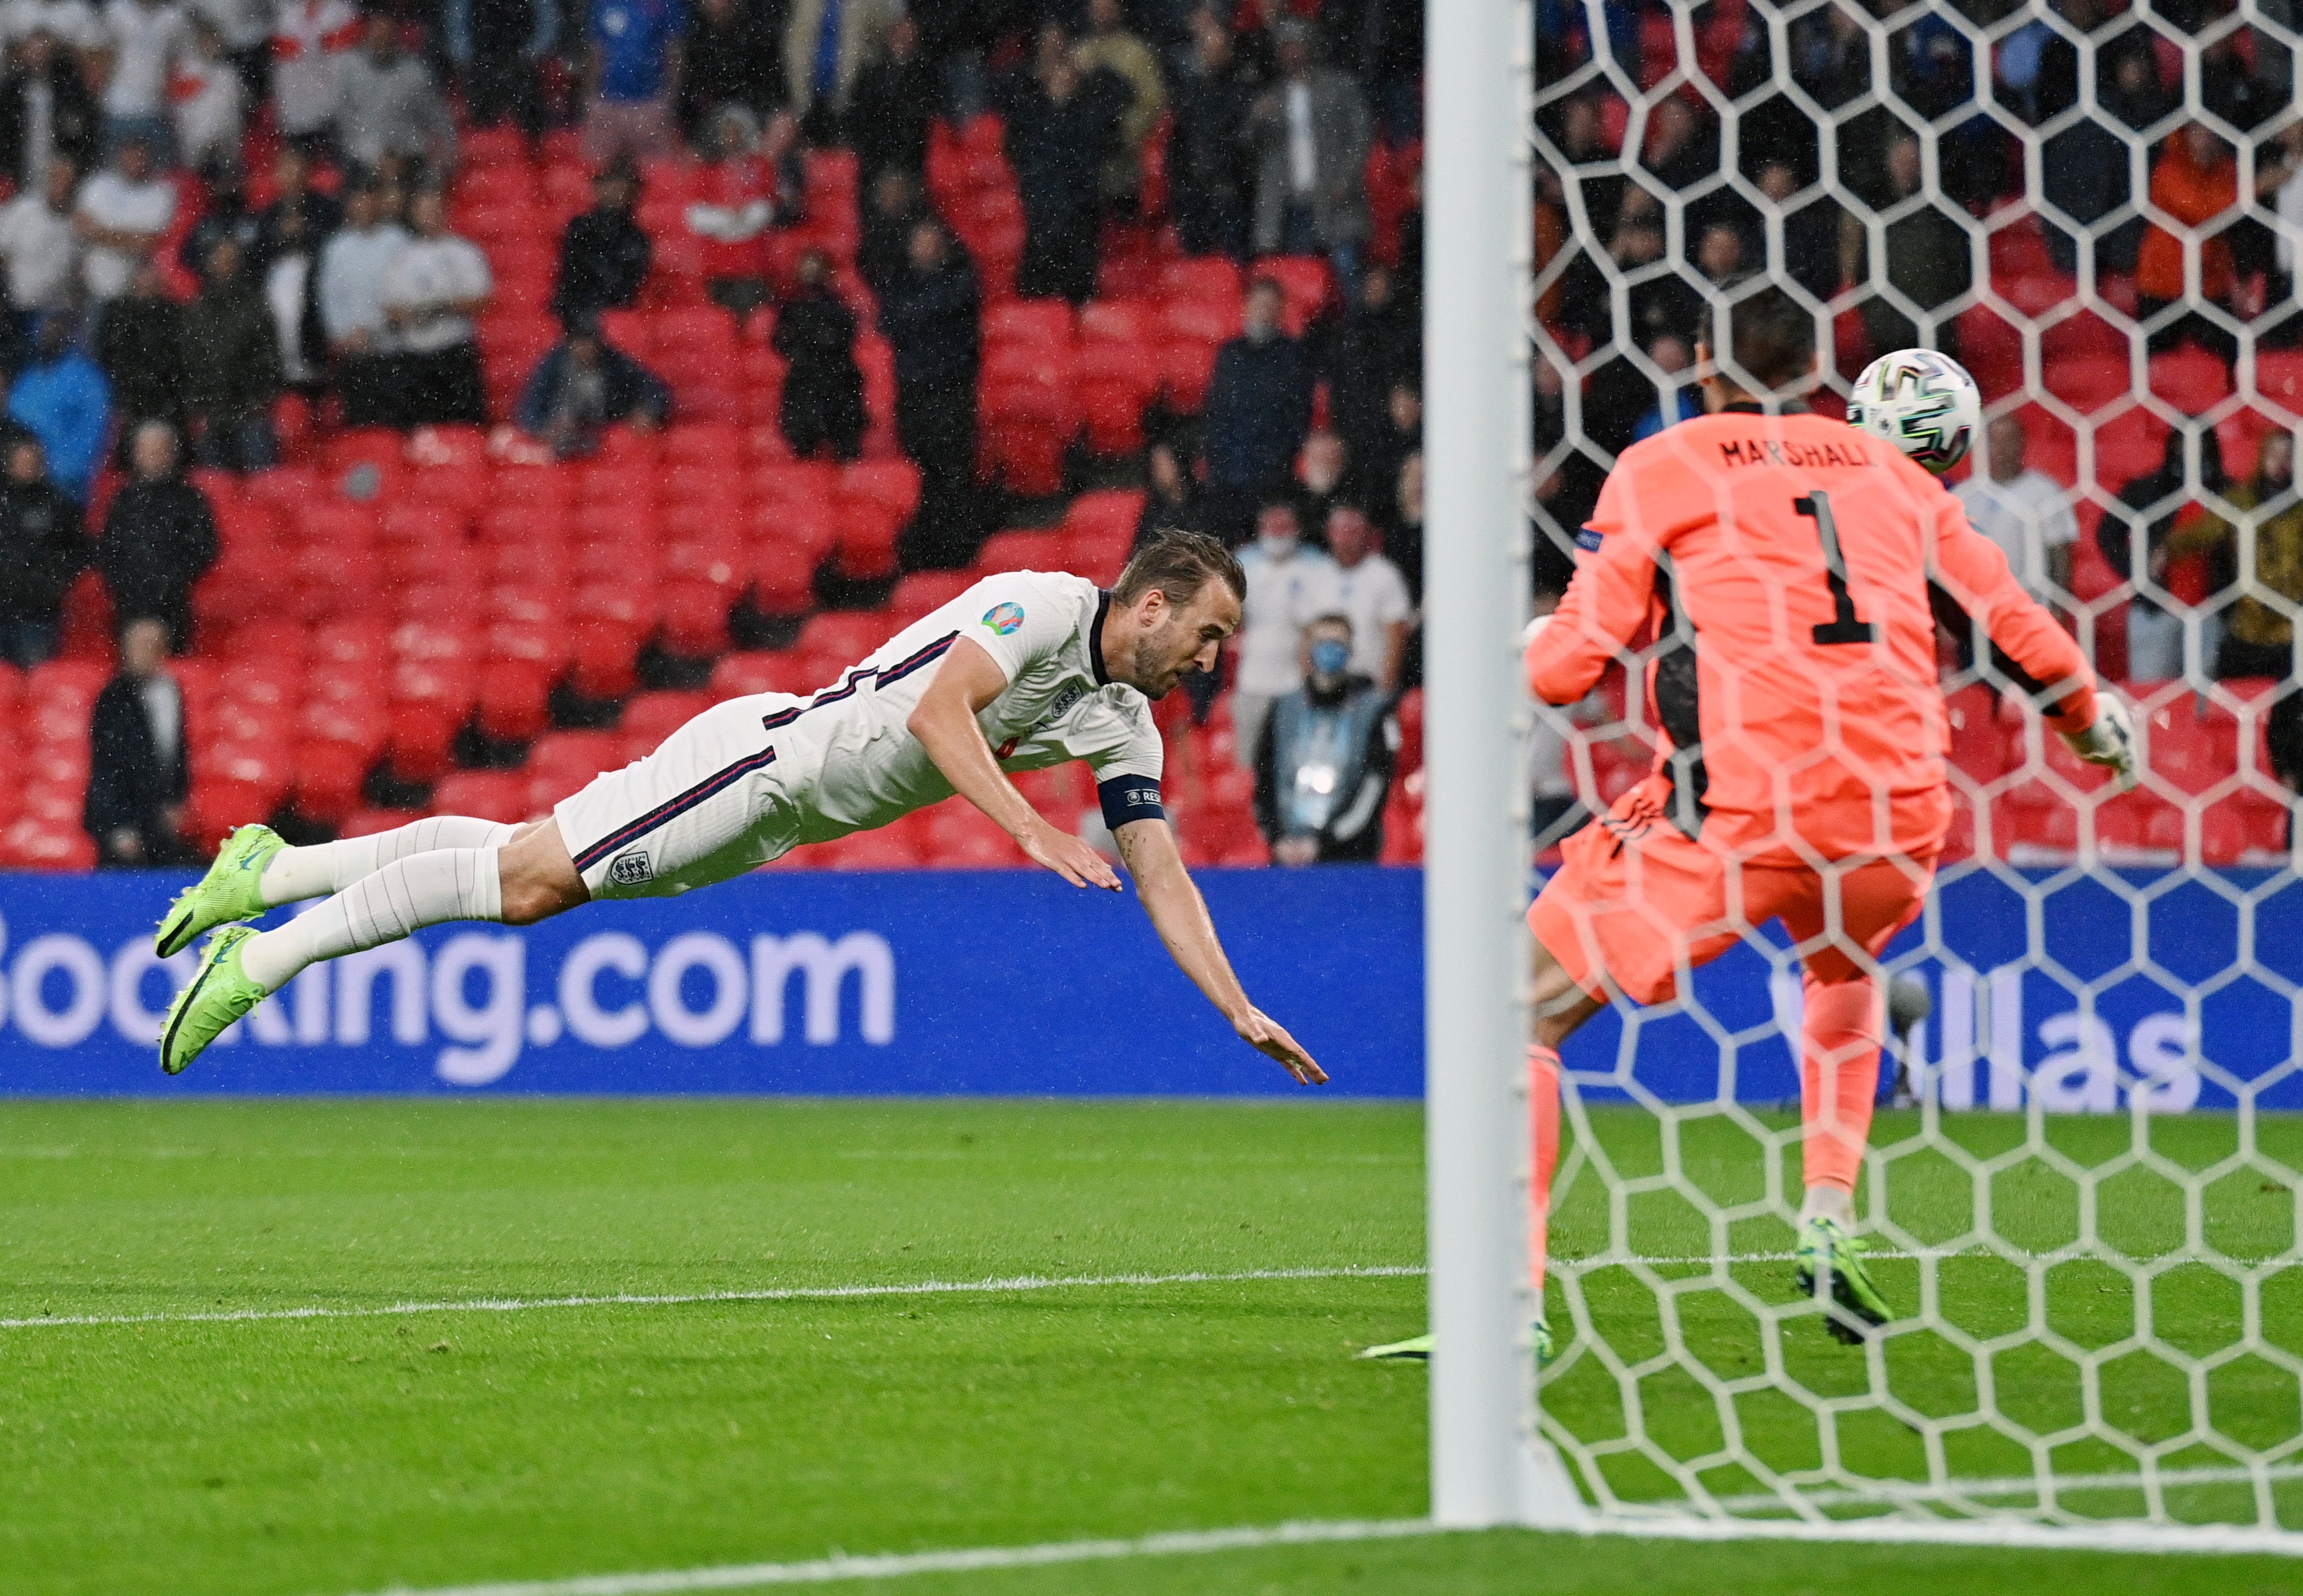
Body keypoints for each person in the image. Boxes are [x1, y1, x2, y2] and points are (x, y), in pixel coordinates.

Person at [1364, 287, 2136, 1367]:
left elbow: (1566, 670)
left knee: (1510, 1017)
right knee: (1842, 960)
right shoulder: (1891, 473)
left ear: (1704, 366)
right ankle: (1825, 1209)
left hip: (1747, 800)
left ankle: (1505, 1312)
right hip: (1898, 809)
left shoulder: (1669, 459)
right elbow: (2010, 618)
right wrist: (2088, 718)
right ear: (1821, 372)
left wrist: (1521, 633)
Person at [155, 531, 1327, 1092]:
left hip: (781, 820)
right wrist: (1030, 831)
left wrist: (1234, 1004)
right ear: (1154, 604)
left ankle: (266, 872)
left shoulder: (1124, 722)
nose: (1212, 656)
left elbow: (1162, 870)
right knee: (525, 889)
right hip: (766, 762)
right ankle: (264, 960)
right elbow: (936, 717)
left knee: (525, 861)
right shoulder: (1035, 605)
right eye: (1209, 631)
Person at [1252, 612, 1395, 865]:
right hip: (1288, 855)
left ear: (1350, 649)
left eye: (1337, 643)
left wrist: (1326, 842)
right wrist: (1277, 838)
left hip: (1349, 857)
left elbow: (1374, 786)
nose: (1329, 650)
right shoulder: (1283, 709)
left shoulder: (1373, 710)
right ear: (1308, 649)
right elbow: (1263, 778)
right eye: (1321, 642)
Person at [2167, 429, 2303, 681]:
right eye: (2274, 454)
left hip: (2293, 626)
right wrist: (2166, 549)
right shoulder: (2239, 501)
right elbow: (2204, 533)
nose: (2281, 462)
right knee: (2220, 693)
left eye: (2289, 455)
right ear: (2262, 456)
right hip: (2248, 623)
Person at [1245, 18, 1370, 293]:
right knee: (1301, 285)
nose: (1291, 53)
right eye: (1285, 48)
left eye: (1297, 46)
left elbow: (1361, 136)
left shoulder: (1339, 89)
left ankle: (1356, 334)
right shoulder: (1272, 97)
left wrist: (1345, 180)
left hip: (1335, 200)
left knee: (1347, 276)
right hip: (1292, 206)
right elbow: (1247, 150)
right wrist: (1256, 120)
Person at [1001, 39, 1123, 305]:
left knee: (1078, 299)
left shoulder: (1089, 114)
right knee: (1037, 301)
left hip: (1079, 221)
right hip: (1043, 218)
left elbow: (1121, 93)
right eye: (1055, 75)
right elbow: (1005, 96)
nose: (1061, 81)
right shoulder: (1032, 114)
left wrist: (1091, 71)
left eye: (1067, 75)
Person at [2099, 427, 2224, 682]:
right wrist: (2137, 571)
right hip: (2156, 610)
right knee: (2153, 695)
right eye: (2183, 442)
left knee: (2207, 703)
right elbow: (2107, 533)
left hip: (2212, 612)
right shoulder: (2147, 489)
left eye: (2200, 442)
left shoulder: (2228, 491)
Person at [1200, 276, 1312, 543]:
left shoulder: (1292, 355)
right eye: (1258, 304)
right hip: (1227, 473)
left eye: (1270, 305)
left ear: (1280, 311)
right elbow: (1215, 409)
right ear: (1246, 306)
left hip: (1272, 474)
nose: (1263, 311)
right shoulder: (1230, 353)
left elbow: (1298, 416)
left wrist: (1278, 458)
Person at [1844, 133, 1968, 367]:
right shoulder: (1874, 210)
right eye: (1901, 161)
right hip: (1887, 331)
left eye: (1913, 160)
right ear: (1889, 163)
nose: (1907, 167)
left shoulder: (1942, 209)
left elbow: (1961, 266)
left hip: (1936, 326)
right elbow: (1862, 271)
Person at [1230, 496, 1334, 771]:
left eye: (1284, 527)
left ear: (1297, 529)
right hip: (1252, 680)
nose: (1277, 533)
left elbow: (1324, 624)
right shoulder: (1244, 564)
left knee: (1294, 760)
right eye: (1271, 527)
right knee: (1249, 763)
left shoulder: (1316, 566)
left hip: (1296, 683)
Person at [877, 217, 978, 495]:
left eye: (929, 240)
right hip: (913, 386)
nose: (922, 248)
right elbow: (887, 322)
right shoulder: (900, 282)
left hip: (951, 386)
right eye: (918, 241)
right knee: (917, 466)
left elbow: (946, 309)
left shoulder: (960, 277)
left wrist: (916, 314)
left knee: (953, 465)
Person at [95, 420, 213, 648]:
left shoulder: (190, 500)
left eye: (160, 450)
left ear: (173, 454)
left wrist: (171, 580)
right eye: (147, 451)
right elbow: (108, 550)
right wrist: (125, 583)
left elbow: (204, 548)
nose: (154, 457)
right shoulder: (123, 500)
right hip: (129, 604)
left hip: (173, 603)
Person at [380, 186, 492, 427]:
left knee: (464, 429)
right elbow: (391, 308)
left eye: (434, 209)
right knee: (422, 434)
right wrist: (416, 315)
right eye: (423, 210)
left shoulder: (464, 251)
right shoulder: (401, 258)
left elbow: (481, 301)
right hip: (416, 355)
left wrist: (445, 306)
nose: (429, 216)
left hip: (454, 352)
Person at [85, 614, 189, 866]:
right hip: (125, 818)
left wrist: (177, 799)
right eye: (136, 646)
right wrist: (118, 825)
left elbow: (178, 753)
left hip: (161, 817)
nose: (141, 653)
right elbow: (106, 767)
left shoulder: (172, 691)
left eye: (150, 645)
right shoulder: (112, 698)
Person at [685, 104, 801, 316]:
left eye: (735, 131)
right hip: (716, 265)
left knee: (755, 322)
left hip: (755, 263)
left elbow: (766, 211)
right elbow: (697, 218)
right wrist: (733, 219)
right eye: (726, 132)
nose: (731, 138)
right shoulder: (706, 171)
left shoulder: (762, 167)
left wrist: (729, 221)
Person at [179, 235, 282, 471]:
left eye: (230, 260)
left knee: (262, 484)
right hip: (212, 414)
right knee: (216, 487)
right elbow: (188, 361)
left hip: (250, 414)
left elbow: (270, 358)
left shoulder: (256, 307)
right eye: (219, 260)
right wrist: (196, 406)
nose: (225, 266)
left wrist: (260, 400)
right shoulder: (196, 311)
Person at [1953, 415, 2077, 609]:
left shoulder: (2045, 491)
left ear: (2022, 443)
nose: (2001, 450)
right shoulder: (1963, 496)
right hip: (1974, 612)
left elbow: (2060, 555)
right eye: (1994, 442)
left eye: (2008, 441)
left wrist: (2058, 607)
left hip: (2030, 609)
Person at [318, 177, 408, 427]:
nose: (364, 206)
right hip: (354, 355)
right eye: (358, 200)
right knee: (361, 432)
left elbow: (402, 295)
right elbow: (330, 299)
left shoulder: (398, 240)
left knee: (395, 429)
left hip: (393, 351)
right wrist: (344, 335)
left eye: (369, 199)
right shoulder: (336, 248)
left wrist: (375, 329)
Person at [514, 312, 669, 455]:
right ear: (570, 343)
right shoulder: (553, 365)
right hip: (563, 438)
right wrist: (543, 428)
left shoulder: (614, 361)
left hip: (604, 435)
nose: (586, 349)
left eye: (590, 342)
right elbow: (528, 409)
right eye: (580, 342)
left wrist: (648, 411)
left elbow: (655, 390)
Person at [1168, 7, 1252, 259]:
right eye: (1206, 48)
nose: (1210, 55)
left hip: (1230, 194)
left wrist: (1232, 179)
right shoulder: (1190, 93)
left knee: (1232, 264)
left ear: (1229, 52)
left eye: (1217, 48)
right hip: (1194, 195)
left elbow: (1244, 146)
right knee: (1196, 269)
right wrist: (1182, 187)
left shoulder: (1243, 92)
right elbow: (1178, 143)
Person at [335, 9, 458, 177]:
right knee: (361, 202)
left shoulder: (415, 72)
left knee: (426, 200)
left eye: (386, 37)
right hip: (364, 161)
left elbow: (438, 119)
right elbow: (342, 122)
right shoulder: (350, 69)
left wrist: (447, 161)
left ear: (395, 37)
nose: (381, 42)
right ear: (367, 35)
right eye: (377, 36)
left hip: (410, 158)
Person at [771, 247, 863, 461]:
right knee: (804, 448)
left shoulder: (840, 305)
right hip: (806, 380)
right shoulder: (790, 306)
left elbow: (845, 336)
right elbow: (780, 341)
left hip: (837, 379)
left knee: (846, 448)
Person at [0, 433, 83, 667]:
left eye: (32, 461)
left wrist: (52, 585)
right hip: (3, 609)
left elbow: (77, 551)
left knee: (38, 682)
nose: (27, 467)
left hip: (38, 615)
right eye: (21, 461)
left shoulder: (59, 505)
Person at [1071, 0, 1163, 208]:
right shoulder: (1080, 52)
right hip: (1085, 171)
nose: (1102, 11)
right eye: (1097, 5)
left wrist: (1119, 132)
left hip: (1124, 168)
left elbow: (1152, 104)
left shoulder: (1137, 53)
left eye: (1108, 5)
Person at [8, 312, 108, 499]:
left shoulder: (85, 377)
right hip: (22, 485)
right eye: (44, 331)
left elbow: (95, 430)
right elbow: (13, 424)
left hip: (66, 485)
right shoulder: (27, 378)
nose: (48, 337)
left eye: (55, 331)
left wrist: (63, 470)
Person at [1321, 503, 1410, 696]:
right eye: (1340, 532)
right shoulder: (1318, 574)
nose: (1346, 539)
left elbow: (1396, 636)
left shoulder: (1385, 574)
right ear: (1330, 534)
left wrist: (1385, 687)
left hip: (1370, 682)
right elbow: (1307, 635)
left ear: (1366, 534)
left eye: (1352, 532)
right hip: (1326, 684)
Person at [582, 0, 685, 167]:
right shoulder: (603, 4)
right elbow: (597, 51)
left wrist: (670, 96)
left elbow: (674, 50)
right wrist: (591, 97)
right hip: (608, 103)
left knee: (655, 172)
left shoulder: (667, 4)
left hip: (650, 103)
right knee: (598, 168)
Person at [73, 132, 173, 301]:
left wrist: (101, 234)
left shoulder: (161, 193)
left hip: (138, 291)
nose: (135, 161)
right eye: (130, 155)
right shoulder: (98, 185)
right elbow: (81, 227)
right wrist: (127, 237)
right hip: (97, 286)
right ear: (121, 156)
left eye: (140, 155)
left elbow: (149, 242)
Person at [94, 256, 187, 438]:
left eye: (151, 275)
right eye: (142, 274)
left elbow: (180, 360)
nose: (146, 280)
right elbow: (108, 357)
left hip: (167, 400)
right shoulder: (117, 315)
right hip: (129, 399)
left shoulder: (172, 314)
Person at [0, 26, 101, 192]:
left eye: (45, 51)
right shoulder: (10, 90)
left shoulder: (68, 89)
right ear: (24, 53)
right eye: (35, 51)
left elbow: (83, 133)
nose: (39, 57)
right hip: (19, 171)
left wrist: (70, 164)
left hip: (56, 174)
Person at [551, 161, 649, 325]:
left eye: (621, 187)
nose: (615, 192)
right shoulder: (580, 227)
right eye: (610, 185)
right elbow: (573, 272)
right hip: (575, 310)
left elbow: (627, 285)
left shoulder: (637, 236)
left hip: (613, 313)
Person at [673, 0, 781, 148]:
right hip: (704, 135)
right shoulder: (692, 33)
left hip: (754, 129)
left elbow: (777, 102)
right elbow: (686, 103)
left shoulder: (759, 33)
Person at [842, 10, 932, 181]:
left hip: (910, 167)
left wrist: (900, 169)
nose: (901, 38)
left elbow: (919, 127)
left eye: (907, 34)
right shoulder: (871, 74)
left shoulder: (924, 78)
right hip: (873, 163)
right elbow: (860, 120)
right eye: (898, 32)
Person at [448, 0, 559, 136]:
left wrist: (533, 52)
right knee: (482, 119)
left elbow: (547, 20)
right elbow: (457, 25)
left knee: (530, 116)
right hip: (483, 59)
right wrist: (465, 57)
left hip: (521, 58)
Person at [0, 155, 83, 332]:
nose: (61, 185)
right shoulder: (23, 211)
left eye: (67, 180)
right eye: (56, 178)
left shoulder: (79, 223)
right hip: (16, 309)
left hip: (56, 315)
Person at [99, 0, 191, 158]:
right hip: (118, 106)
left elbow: (180, 61)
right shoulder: (116, 11)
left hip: (155, 109)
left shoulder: (174, 18)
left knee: (157, 176)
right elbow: (102, 53)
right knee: (115, 172)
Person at [270, 0, 361, 154]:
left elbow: (350, 42)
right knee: (301, 151)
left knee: (335, 152)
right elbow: (281, 48)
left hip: (333, 89)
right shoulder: (289, 12)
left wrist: (318, 45)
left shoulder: (342, 9)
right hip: (298, 96)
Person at [170, 17, 243, 170]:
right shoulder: (187, 70)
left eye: (215, 41)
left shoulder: (229, 74)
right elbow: (181, 109)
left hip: (224, 148)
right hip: (194, 147)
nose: (211, 46)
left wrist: (226, 143)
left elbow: (232, 113)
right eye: (206, 41)